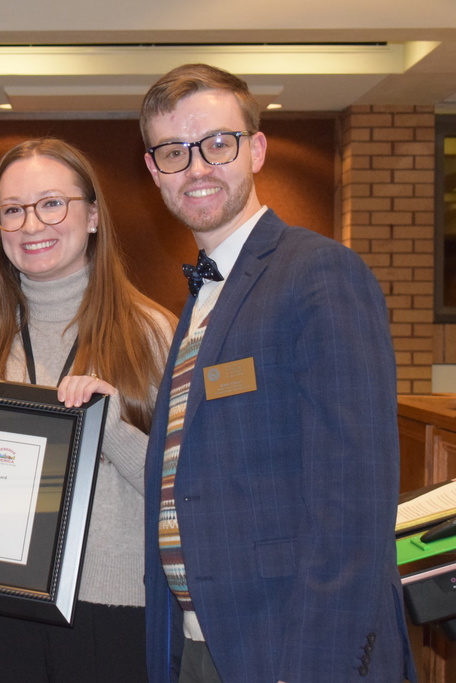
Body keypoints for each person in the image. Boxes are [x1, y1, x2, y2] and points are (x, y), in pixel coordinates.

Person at [139, 63, 416, 682]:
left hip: (288, 647)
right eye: (173, 151)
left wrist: (313, 666)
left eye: (217, 143)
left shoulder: (320, 275)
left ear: (255, 150)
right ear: (154, 170)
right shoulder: (204, 295)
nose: (198, 167)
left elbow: (353, 499)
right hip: (204, 641)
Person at [0, 137, 173, 682]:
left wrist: (108, 427)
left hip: (115, 613)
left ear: (91, 216)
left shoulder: (150, 333)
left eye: (51, 204)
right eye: (12, 210)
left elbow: (182, 489)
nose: (32, 225)